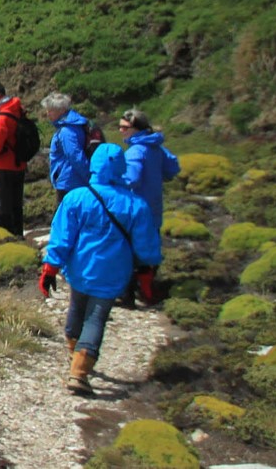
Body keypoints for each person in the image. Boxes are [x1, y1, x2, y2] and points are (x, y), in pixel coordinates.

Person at [38, 144, 162, 395]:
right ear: (121, 168)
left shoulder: (77, 198)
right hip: (113, 272)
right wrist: (147, 270)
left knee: (77, 308)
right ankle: (80, 370)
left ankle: (75, 351)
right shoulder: (135, 205)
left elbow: (62, 237)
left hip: (81, 268)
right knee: (96, 317)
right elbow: (145, 243)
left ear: (94, 166)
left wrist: (50, 267)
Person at [116, 109, 181, 238]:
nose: (120, 130)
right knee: (153, 251)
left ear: (137, 129)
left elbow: (131, 180)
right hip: (155, 209)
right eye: (119, 126)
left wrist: (112, 181)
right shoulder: (156, 147)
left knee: (137, 254)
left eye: (125, 127)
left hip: (137, 211)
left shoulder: (134, 152)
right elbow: (173, 168)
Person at [0, 81, 30, 237]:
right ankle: (18, 235)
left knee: (2, 207)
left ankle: (4, 238)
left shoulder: (2, 118)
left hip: (4, 167)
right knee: (16, 205)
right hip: (18, 164)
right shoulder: (16, 110)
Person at [44, 92, 93, 196]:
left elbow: (75, 156)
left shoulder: (66, 131)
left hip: (69, 182)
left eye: (51, 110)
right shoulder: (74, 124)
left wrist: (89, 178)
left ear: (61, 110)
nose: (47, 113)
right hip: (73, 180)